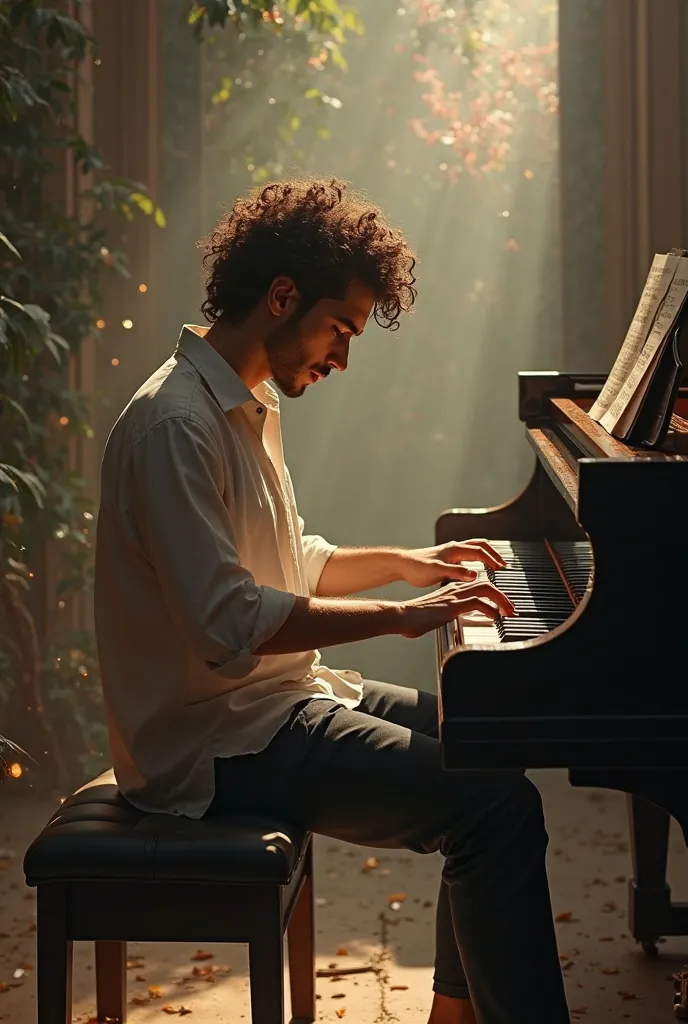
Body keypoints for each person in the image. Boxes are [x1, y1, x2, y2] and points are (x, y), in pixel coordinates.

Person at [94, 176, 570, 1024]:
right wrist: (404, 617)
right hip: (215, 746)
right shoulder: (176, 424)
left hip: (271, 708)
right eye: (340, 328)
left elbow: (290, 560)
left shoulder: (241, 403)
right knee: (498, 810)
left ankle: (454, 1015)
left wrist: (408, 566)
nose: (342, 357)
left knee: (488, 740)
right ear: (282, 296)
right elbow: (227, 625)